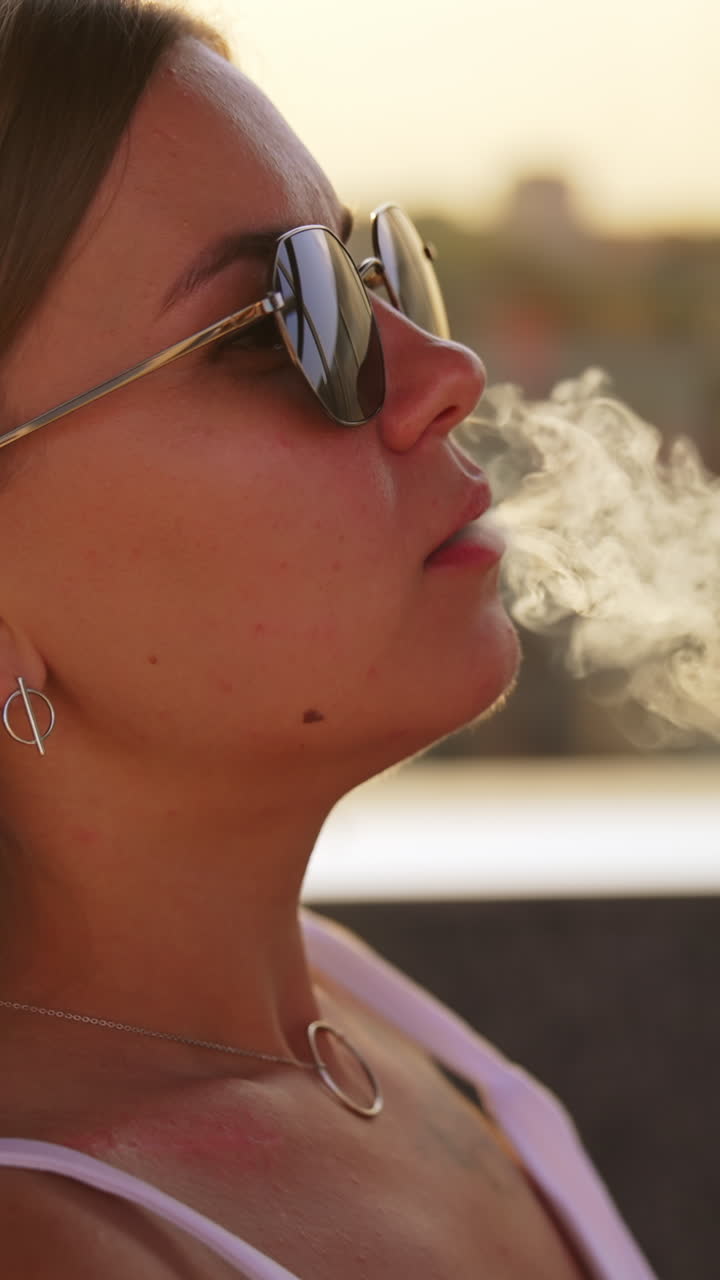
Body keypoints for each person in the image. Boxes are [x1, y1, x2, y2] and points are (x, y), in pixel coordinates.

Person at [0, 2, 657, 1276]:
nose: (447, 368)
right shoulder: (52, 1242)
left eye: (370, 273)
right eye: (272, 327)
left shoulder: (354, 1010)